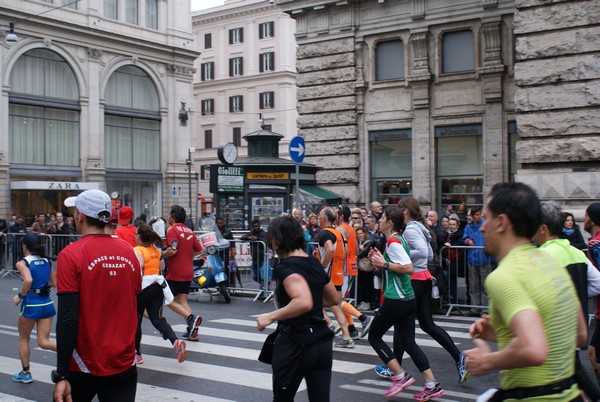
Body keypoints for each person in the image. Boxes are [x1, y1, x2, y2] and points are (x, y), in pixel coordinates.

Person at [465, 182, 587, 401]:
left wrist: (487, 361)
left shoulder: (504, 276)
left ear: (501, 222)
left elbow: (534, 349)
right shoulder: (552, 264)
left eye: (486, 218)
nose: (482, 227)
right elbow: (579, 335)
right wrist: (500, 332)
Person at [53, 189, 142, 402]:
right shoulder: (129, 252)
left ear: (80, 216)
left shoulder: (71, 254)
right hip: (124, 362)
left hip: (83, 364)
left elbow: (68, 317)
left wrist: (62, 372)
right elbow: (135, 307)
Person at [256, 216, 340, 402]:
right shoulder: (314, 263)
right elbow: (334, 298)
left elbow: (303, 302)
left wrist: (270, 316)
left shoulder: (284, 268)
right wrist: (305, 302)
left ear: (278, 239)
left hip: (296, 344)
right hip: (321, 344)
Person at [387, 196, 469, 384]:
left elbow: (424, 252)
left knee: (401, 324)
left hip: (415, 278)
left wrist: (402, 254)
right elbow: (430, 253)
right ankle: (459, 358)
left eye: (400, 209)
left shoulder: (411, 229)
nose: (398, 212)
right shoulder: (420, 227)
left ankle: (395, 368)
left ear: (405, 211)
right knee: (426, 324)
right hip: (422, 277)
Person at [368, 207, 445, 399]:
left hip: (397, 299)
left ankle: (399, 375)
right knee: (409, 342)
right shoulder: (396, 239)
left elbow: (408, 268)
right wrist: (380, 259)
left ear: (390, 223)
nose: (379, 220)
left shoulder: (394, 241)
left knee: (374, 336)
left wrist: (383, 263)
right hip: (408, 298)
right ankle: (431, 384)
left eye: (382, 218)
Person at [534, 200, 600, 401]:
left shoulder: (540, 255)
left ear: (543, 228)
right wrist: (577, 293)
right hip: (577, 325)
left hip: (552, 331)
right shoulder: (576, 252)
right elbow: (598, 284)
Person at [134, 223, 187, 364]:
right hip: (157, 288)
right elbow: (162, 267)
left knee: (136, 321)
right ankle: (175, 341)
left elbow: (138, 268)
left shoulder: (138, 250)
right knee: (157, 319)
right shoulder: (157, 250)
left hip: (142, 289)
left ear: (139, 236)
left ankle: (137, 354)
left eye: (135, 234)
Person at [12, 232, 57, 384]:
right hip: (47, 304)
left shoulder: (23, 263)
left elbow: (28, 280)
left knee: (24, 338)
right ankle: (73, 349)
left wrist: (19, 296)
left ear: (24, 246)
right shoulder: (46, 261)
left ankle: (26, 373)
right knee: (44, 342)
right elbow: (53, 282)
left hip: (31, 304)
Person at [163, 205, 204, 341]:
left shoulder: (172, 230)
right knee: (182, 300)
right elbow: (199, 250)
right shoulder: (189, 231)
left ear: (173, 217)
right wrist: (187, 254)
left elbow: (172, 250)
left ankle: (191, 318)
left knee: (168, 300)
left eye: (169, 214)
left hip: (176, 272)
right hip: (188, 271)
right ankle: (192, 331)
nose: (168, 216)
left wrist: (160, 255)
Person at [315, 207, 353, 348]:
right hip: (338, 275)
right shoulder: (339, 233)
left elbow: (330, 249)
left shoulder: (324, 234)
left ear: (324, 218)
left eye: (319, 215)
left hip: (327, 276)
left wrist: (322, 265)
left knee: (313, 302)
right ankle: (347, 337)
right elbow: (344, 251)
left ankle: (331, 324)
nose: (318, 218)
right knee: (335, 305)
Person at [335, 205, 373, 340]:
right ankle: (352, 329)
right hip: (350, 267)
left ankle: (363, 318)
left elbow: (343, 250)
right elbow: (356, 249)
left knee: (336, 301)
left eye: (336, 214)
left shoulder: (342, 229)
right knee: (341, 300)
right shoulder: (350, 228)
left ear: (340, 216)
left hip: (343, 268)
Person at [463, 206, 494, 311]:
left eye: (480, 214)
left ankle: (485, 308)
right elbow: (465, 238)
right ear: (472, 216)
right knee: (473, 285)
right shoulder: (468, 227)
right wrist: (468, 241)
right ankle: (475, 307)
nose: (479, 216)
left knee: (485, 286)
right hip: (472, 259)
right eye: (476, 214)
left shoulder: (485, 226)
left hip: (485, 259)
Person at [241, 219, 269, 288]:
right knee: (255, 276)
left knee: (262, 276)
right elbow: (242, 237)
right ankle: (265, 285)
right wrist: (249, 237)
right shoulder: (251, 232)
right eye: (254, 226)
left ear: (259, 226)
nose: (256, 227)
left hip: (263, 258)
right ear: (252, 227)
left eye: (257, 226)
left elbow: (266, 241)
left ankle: (263, 290)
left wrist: (257, 238)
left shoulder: (263, 233)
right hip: (254, 257)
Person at [442, 214, 464, 305]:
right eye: (450, 224)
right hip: (448, 261)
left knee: (449, 279)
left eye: (453, 224)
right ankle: (451, 300)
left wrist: (450, 255)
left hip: (455, 262)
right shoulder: (447, 235)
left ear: (457, 225)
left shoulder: (459, 235)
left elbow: (457, 250)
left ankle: (453, 300)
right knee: (451, 281)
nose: (451, 226)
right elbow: (444, 250)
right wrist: (446, 258)